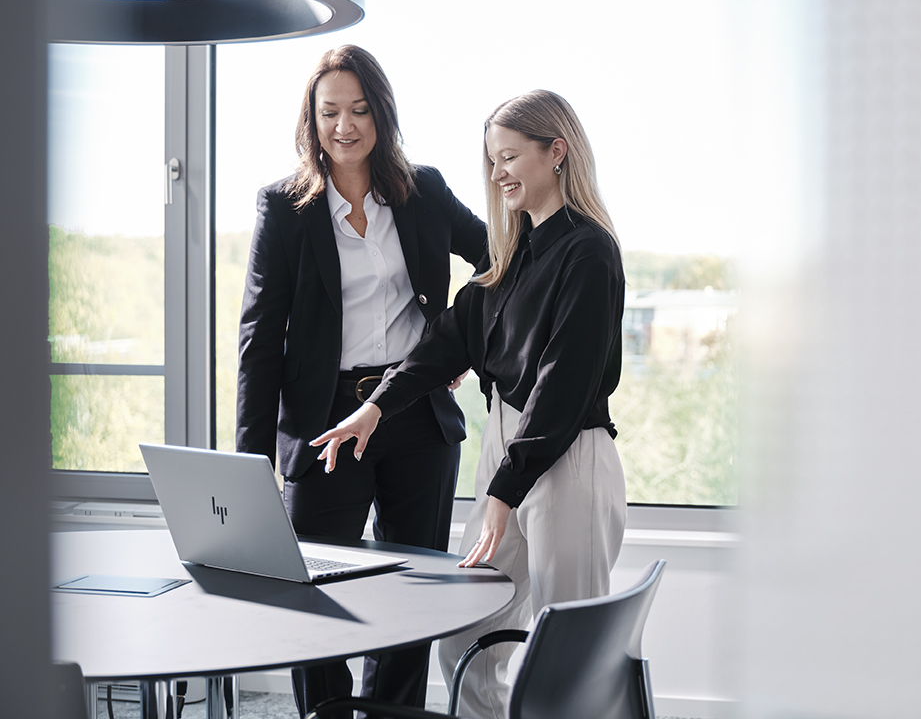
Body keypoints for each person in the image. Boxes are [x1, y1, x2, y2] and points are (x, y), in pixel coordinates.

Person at [312, 89, 628, 719]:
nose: (497, 172)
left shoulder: (588, 253)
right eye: (491, 160)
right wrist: (374, 407)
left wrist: (504, 492)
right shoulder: (510, 257)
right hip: (506, 451)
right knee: (464, 636)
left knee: (567, 647)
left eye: (510, 156)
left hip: (565, 459)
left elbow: (560, 392)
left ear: (556, 152)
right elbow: (445, 344)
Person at [235, 45, 487, 719]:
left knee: (408, 595)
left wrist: (458, 343)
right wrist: (252, 463)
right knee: (314, 594)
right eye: (329, 113)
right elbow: (260, 340)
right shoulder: (285, 209)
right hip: (324, 423)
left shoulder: (423, 189)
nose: (343, 125)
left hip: (416, 418)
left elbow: (499, 259)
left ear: (381, 112)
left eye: (358, 109)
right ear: (310, 122)